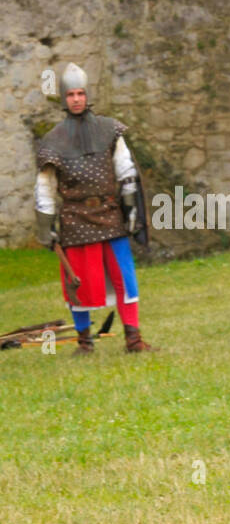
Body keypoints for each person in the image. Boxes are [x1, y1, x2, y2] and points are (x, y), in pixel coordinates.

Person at [34, 63, 152, 353]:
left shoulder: (110, 129)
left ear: (88, 95)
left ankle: (133, 339)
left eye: (81, 93)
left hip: (110, 215)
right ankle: (85, 342)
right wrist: (45, 225)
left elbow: (125, 170)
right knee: (78, 283)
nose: (76, 99)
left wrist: (130, 208)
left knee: (125, 278)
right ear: (63, 98)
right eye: (71, 94)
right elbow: (45, 187)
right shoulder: (53, 140)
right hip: (74, 218)